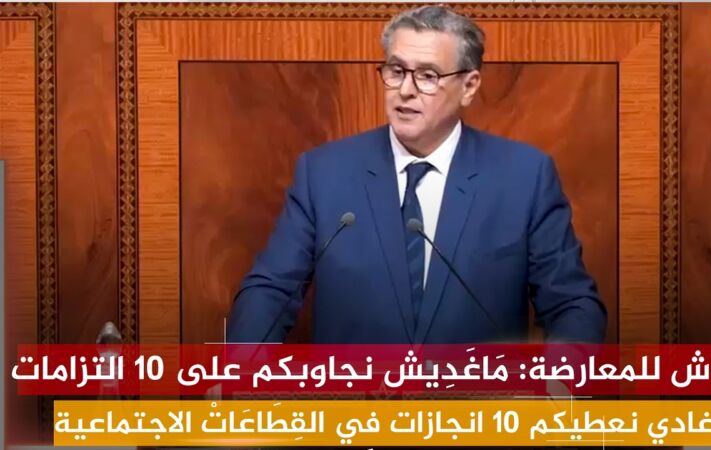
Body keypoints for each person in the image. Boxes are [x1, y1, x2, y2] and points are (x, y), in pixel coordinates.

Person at [226, 5, 606, 344]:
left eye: (427, 75)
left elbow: (571, 303)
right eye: (396, 71)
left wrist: (563, 376)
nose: (405, 90)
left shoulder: (524, 177)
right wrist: (243, 364)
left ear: (469, 86)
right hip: (354, 398)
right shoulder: (324, 173)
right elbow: (270, 289)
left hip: (478, 398)